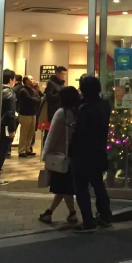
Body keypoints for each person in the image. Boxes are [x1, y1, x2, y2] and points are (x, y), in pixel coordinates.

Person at [69, 75, 113, 233]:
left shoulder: (84, 108)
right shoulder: (105, 105)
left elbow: (80, 133)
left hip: (83, 153)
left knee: (81, 187)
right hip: (99, 150)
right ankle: (106, 216)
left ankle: (88, 221)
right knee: (98, 184)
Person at [39, 86, 80, 225]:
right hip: (73, 155)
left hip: (60, 156)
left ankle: (50, 213)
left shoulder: (61, 113)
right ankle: (69, 213)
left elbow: (52, 136)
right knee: (65, 187)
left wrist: (45, 154)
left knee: (63, 186)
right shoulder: (77, 112)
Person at [0, 69, 18, 185]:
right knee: (2, 151)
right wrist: (12, 129)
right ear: (11, 80)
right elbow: (11, 113)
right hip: (4, 126)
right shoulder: (10, 93)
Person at [17, 76, 40, 158]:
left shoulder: (33, 90)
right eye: (31, 79)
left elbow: (39, 98)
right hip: (25, 114)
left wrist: (37, 90)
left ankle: (28, 149)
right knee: (24, 133)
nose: (33, 80)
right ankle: (21, 150)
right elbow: (30, 100)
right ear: (26, 81)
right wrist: (36, 99)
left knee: (31, 133)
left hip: (33, 114)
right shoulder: (23, 90)